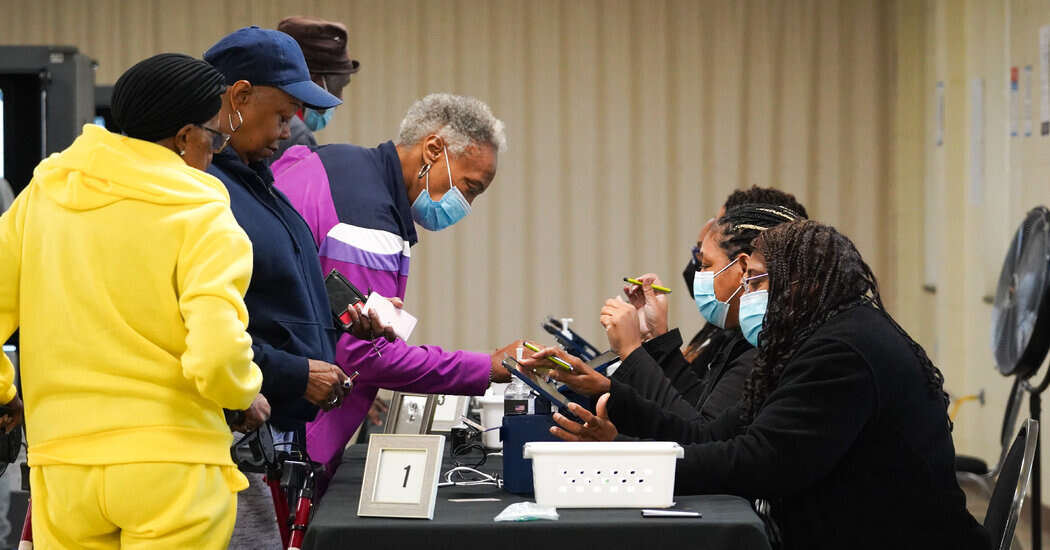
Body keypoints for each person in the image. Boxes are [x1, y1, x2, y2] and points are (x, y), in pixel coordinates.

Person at [525, 221, 990, 549]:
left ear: (799, 284)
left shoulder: (841, 353)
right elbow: (713, 435)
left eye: (754, 282)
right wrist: (610, 395)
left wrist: (637, 471)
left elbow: (758, 463)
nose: (744, 295)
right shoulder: (810, 342)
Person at [0, 53, 266, 549]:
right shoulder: (203, 214)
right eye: (217, 138)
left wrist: (3, 391)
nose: (216, 153)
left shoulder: (44, 193)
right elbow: (217, 355)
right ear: (185, 137)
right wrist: (244, 392)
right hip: (173, 466)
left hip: (64, 467)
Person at [203, 27, 392, 550]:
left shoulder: (257, 180)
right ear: (239, 98)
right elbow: (198, 330)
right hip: (228, 436)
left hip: (271, 435)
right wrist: (291, 371)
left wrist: (345, 311)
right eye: (282, 115)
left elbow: (281, 278)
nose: (289, 132)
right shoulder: (206, 195)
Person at [271, 93, 517, 490]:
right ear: (434, 149)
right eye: (469, 187)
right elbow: (366, 354)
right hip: (289, 430)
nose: (465, 205)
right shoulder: (367, 219)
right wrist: (486, 367)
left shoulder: (335, 162)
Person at [569, 204, 804, 422]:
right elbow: (698, 405)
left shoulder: (764, 350)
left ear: (744, 270)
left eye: (704, 264)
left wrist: (632, 352)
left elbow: (699, 433)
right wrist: (658, 335)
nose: (698, 274)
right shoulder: (739, 338)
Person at [271, 15, 359, 161]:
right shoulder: (295, 137)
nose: (340, 99)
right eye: (339, 86)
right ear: (314, 81)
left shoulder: (253, 118)